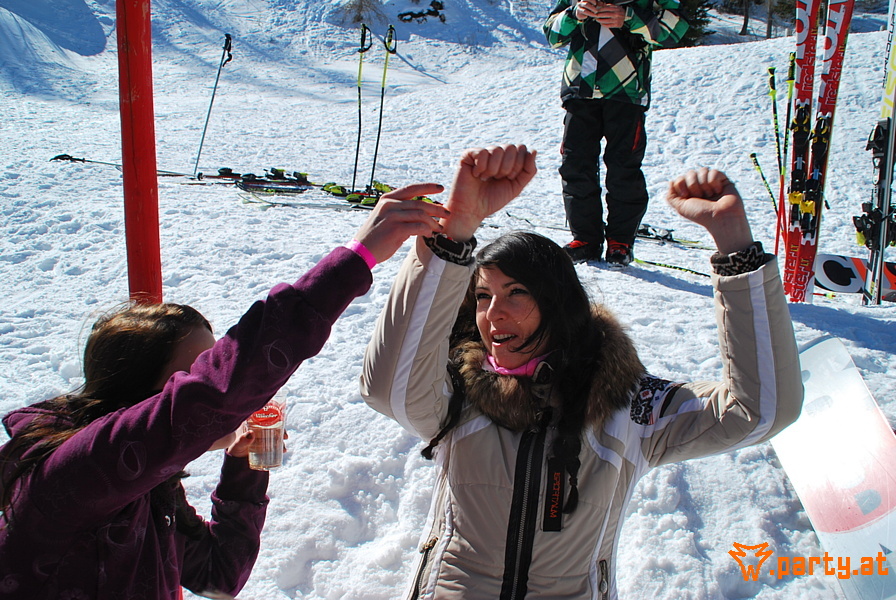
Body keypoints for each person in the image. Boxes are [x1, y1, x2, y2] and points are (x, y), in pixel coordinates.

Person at [360, 144, 803, 599]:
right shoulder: (460, 392)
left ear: (558, 305)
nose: (493, 316)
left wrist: (737, 253)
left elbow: (759, 410)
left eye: (516, 293)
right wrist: (452, 239)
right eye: (483, 296)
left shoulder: (626, 406)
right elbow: (387, 389)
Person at [0, 191, 450, 599]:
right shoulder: (71, 476)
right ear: (146, 396)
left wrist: (243, 470)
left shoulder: (143, 486)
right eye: (194, 372)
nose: (216, 382)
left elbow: (219, 574)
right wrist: (357, 258)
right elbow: (218, 392)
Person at [543, 0, 690, 266]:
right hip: (580, 91)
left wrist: (629, 18)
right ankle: (585, 240)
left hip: (627, 93)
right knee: (576, 165)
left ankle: (620, 242)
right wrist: (574, 14)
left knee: (624, 168)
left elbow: (675, 29)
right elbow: (552, 34)